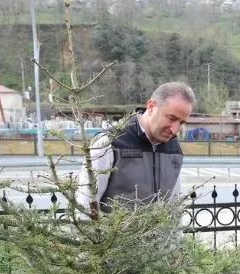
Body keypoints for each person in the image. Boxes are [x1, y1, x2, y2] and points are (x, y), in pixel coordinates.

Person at [77, 82, 196, 214]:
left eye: (182, 122)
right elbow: (85, 205)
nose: (175, 129)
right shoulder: (109, 143)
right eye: (171, 118)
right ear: (151, 106)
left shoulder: (174, 149)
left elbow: (174, 207)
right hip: (113, 235)